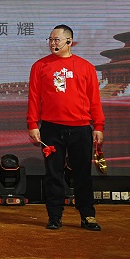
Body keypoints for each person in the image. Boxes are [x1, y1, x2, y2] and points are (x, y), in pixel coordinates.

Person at [27, 24, 105, 231]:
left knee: (82, 174)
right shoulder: (40, 66)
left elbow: (94, 99)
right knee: (53, 174)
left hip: (80, 128)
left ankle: (87, 215)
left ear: (69, 41)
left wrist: (98, 125)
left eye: (57, 40)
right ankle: (54, 216)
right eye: (50, 39)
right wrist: (33, 124)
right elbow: (34, 97)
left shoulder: (85, 67)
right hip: (51, 129)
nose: (52, 43)